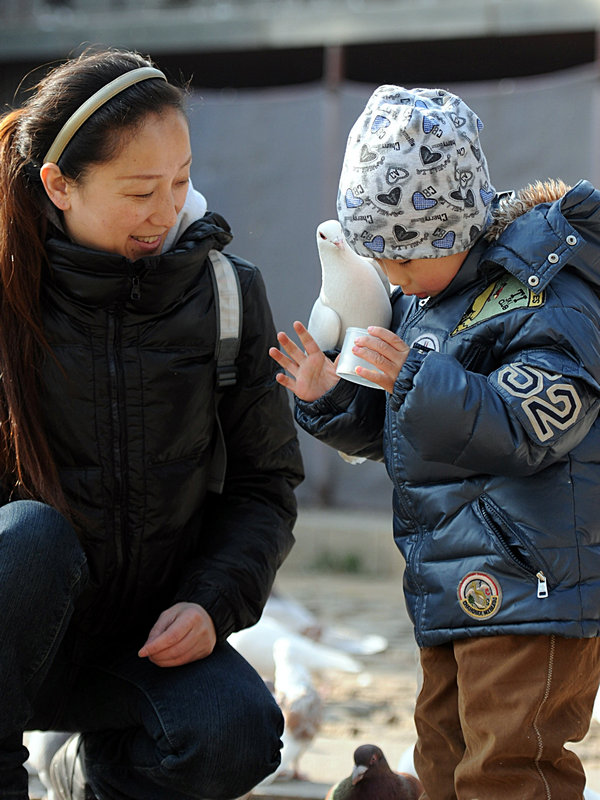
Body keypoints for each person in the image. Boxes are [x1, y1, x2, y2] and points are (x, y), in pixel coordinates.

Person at [270, 84, 600, 799]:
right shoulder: (430, 297)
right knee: (444, 756)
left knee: (511, 764)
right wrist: (330, 395)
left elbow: (538, 420)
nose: (392, 280)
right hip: (449, 582)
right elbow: (401, 427)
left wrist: (416, 375)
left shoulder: (543, 290)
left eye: (403, 262)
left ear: (451, 231)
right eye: (381, 264)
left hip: (534, 584)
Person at [0, 47, 304, 800]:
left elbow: (266, 485)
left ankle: (83, 774)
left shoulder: (228, 298)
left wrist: (212, 600)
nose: (169, 210)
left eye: (181, 179)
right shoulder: (8, 298)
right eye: (141, 190)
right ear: (59, 186)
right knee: (29, 537)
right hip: (11, 639)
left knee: (235, 733)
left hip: (136, 643)